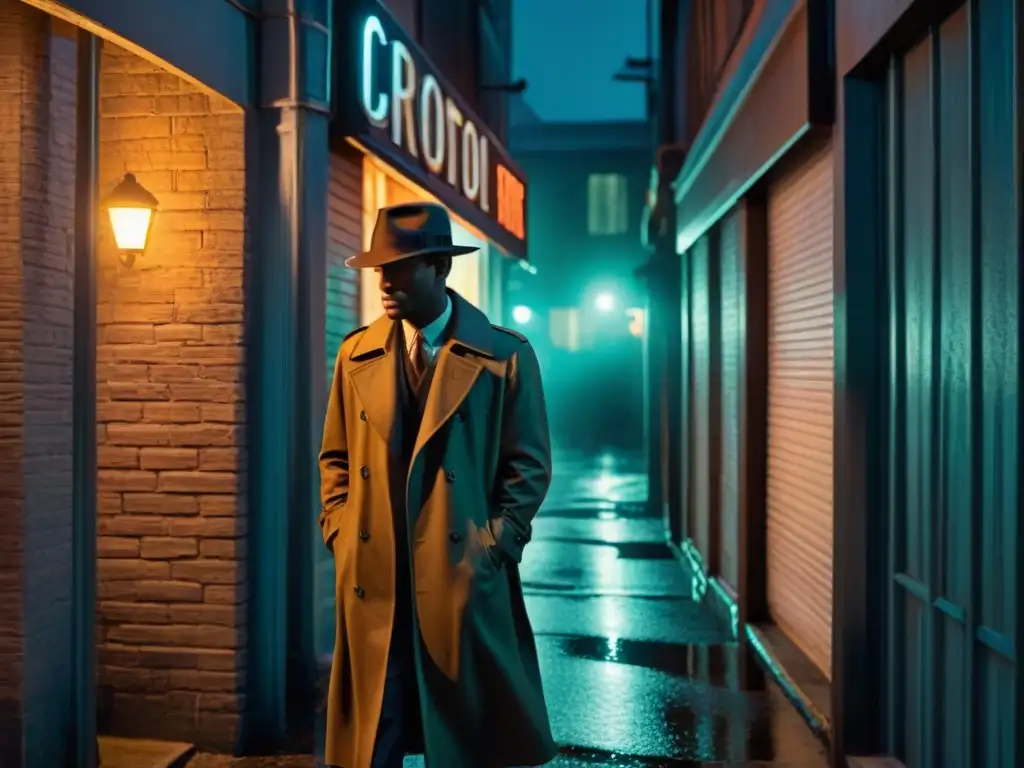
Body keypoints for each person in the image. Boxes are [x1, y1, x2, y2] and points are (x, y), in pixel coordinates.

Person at [318, 202, 557, 768]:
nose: (384, 279)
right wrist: (342, 531)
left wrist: (494, 545)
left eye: (400, 266)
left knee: (464, 737)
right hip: (376, 579)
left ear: (439, 269)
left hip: (458, 577)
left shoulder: (503, 354)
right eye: (380, 267)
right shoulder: (357, 353)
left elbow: (529, 467)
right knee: (375, 734)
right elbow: (336, 458)